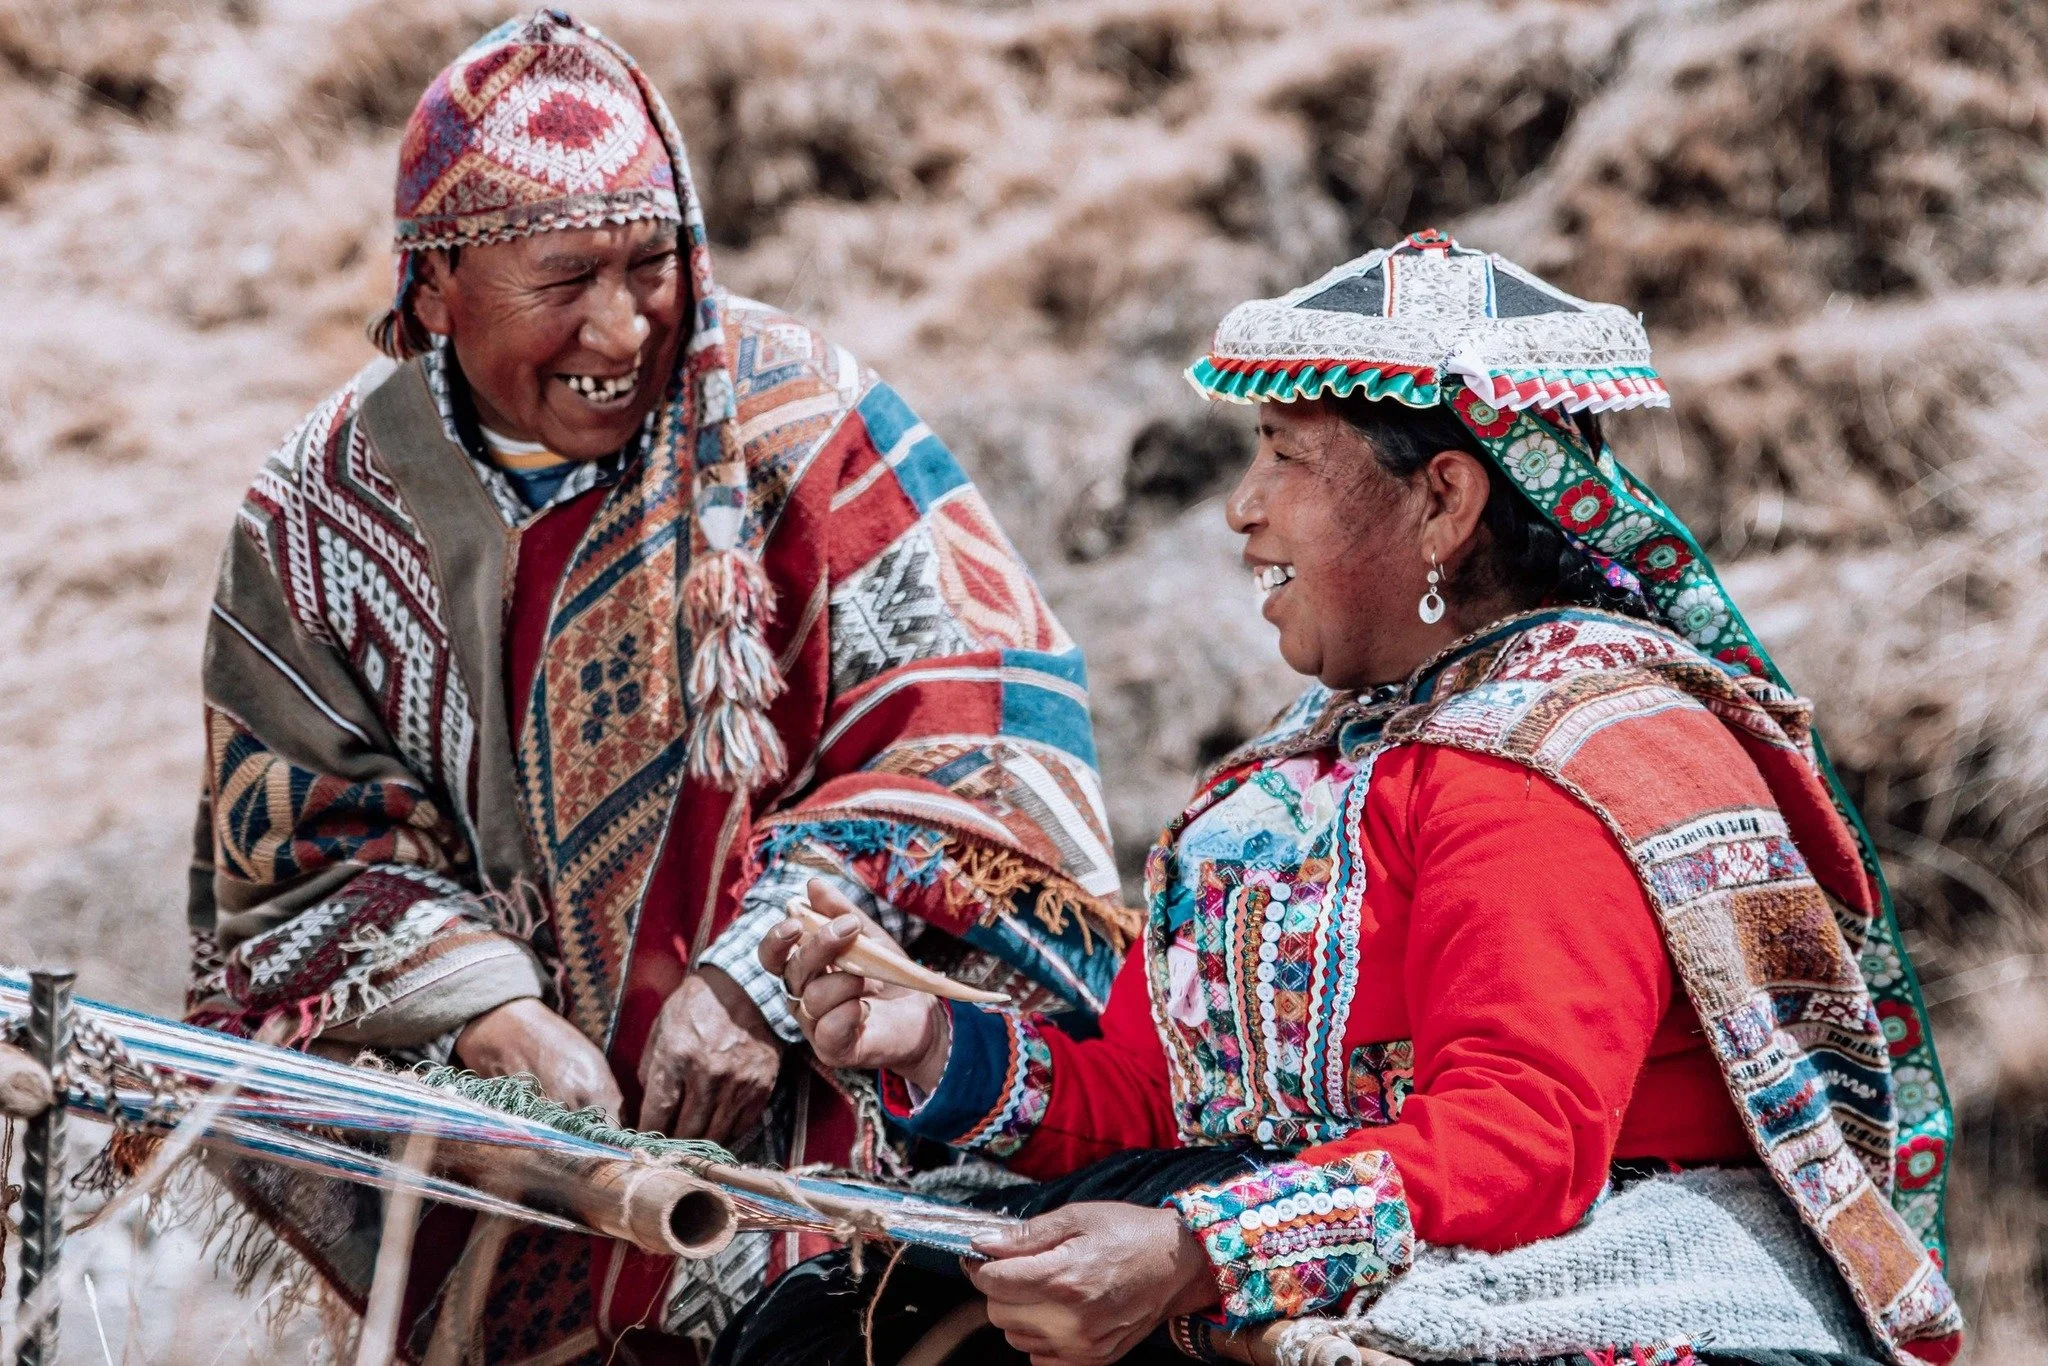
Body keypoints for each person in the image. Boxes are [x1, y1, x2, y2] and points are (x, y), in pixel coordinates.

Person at [717, 231, 1964, 1366]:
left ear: (1440, 502)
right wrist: (929, 1043)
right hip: (1365, 1219)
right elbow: (1163, 1093)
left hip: (1592, 1268)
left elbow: (1515, 1141)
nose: (1241, 508)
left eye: (1285, 457)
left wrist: (1193, 1252)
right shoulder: (1337, 754)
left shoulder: (1553, 762)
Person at [182, 9, 1128, 1359]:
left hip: (827, 1154)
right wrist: (492, 1014)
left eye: (650, 264)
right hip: (512, 1186)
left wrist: (756, 975)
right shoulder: (322, 508)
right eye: (563, 277)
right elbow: (293, 847)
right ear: (434, 283)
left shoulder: (805, 419)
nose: (621, 326)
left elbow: (983, 728)